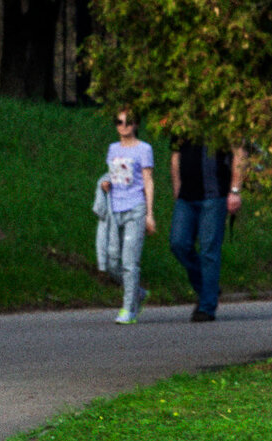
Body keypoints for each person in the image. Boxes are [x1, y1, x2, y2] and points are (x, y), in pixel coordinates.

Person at [169, 140, 247, 322]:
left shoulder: (221, 121)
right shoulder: (183, 123)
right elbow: (175, 156)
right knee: (178, 243)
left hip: (214, 196)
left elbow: (239, 153)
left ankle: (207, 307)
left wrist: (235, 190)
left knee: (208, 251)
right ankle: (208, 288)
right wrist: (177, 189)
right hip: (186, 197)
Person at [99, 106, 156, 324]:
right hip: (115, 208)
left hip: (136, 208)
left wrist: (149, 214)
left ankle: (128, 309)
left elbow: (148, 181)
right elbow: (113, 176)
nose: (123, 127)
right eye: (119, 122)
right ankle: (138, 293)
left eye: (128, 122)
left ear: (136, 125)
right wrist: (106, 183)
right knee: (112, 261)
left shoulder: (144, 149)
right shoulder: (113, 149)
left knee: (129, 262)